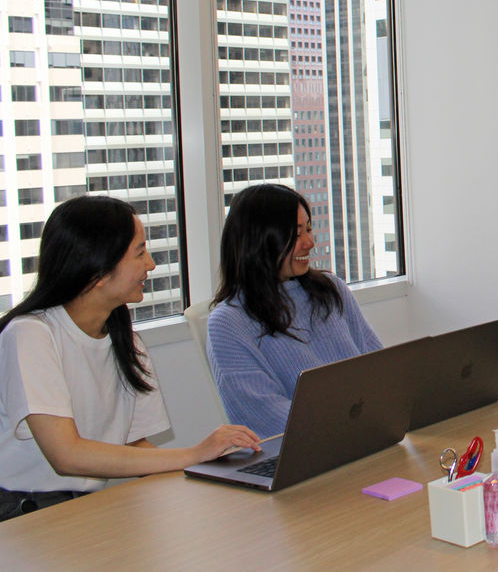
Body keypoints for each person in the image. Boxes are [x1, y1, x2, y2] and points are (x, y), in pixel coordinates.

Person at [0, 196, 260, 522]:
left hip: (87, 508)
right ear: (97, 266)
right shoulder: (30, 334)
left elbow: (136, 448)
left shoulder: (127, 341)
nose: (150, 264)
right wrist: (193, 454)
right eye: (139, 252)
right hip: (22, 515)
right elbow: (66, 455)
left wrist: (210, 477)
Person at [208, 184, 382, 436]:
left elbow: (379, 369)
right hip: (314, 450)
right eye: (296, 233)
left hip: (367, 434)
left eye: (309, 229)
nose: (309, 243)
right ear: (260, 240)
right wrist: (352, 425)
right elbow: (264, 416)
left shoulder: (332, 289)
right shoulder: (228, 323)